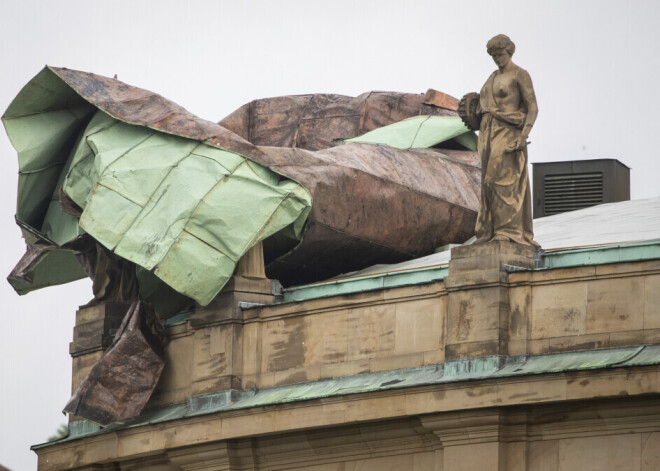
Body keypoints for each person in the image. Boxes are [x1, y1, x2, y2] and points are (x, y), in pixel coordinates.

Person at [473, 34, 539, 247]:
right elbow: (480, 107)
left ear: (509, 52)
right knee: (487, 182)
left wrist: (524, 135)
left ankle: (508, 230)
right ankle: (489, 231)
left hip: (509, 131)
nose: (497, 59)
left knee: (501, 178)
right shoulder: (491, 78)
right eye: (493, 55)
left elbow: (533, 107)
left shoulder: (520, 74)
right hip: (488, 132)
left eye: (500, 54)